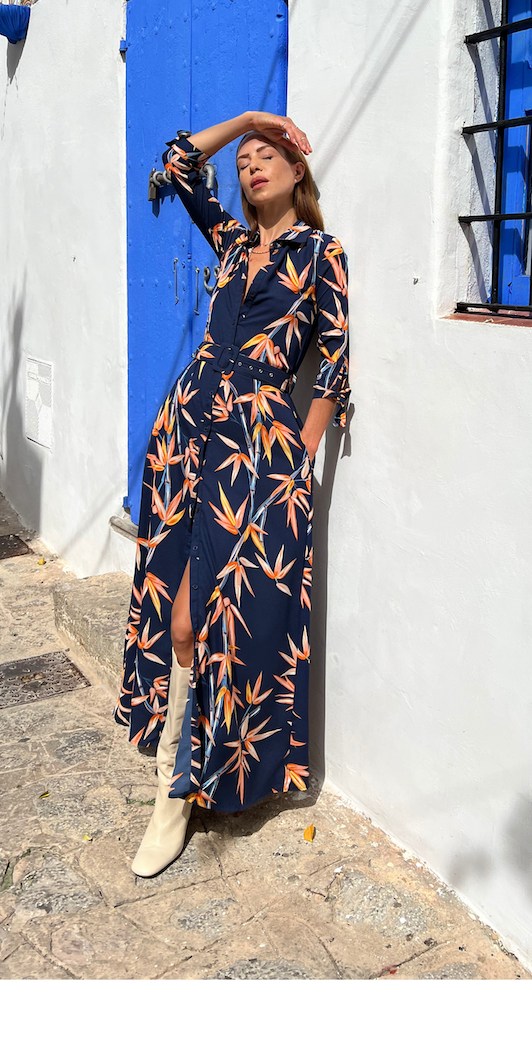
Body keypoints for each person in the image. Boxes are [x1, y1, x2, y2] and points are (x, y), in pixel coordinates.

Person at [119, 109, 352, 877]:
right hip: (187, 439)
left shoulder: (321, 254)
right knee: (170, 602)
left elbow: (335, 372)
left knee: (198, 617)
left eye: (266, 155)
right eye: (246, 158)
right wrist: (250, 117)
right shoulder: (230, 242)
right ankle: (182, 776)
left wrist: (297, 460)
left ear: (296, 172)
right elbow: (180, 159)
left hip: (255, 453)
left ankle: (174, 795)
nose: (251, 165)